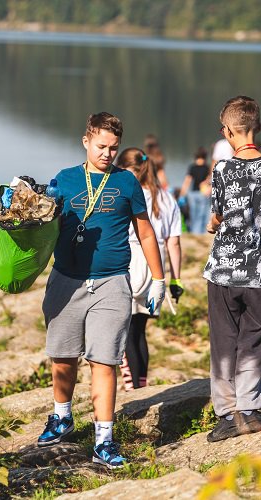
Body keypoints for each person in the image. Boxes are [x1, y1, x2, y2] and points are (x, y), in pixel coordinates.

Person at [37, 112, 166, 469]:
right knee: (63, 355)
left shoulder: (126, 183)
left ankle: (104, 440)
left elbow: (145, 232)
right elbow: (40, 226)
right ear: (85, 141)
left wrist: (159, 278)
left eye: (113, 147)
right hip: (66, 280)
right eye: (101, 146)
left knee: (104, 360)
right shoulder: (64, 180)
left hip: (112, 283)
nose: (107, 153)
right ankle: (62, 418)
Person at [203, 96, 261, 442]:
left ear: (227, 132)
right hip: (260, 270)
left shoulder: (221, 169)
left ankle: (226, 414)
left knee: (224, 339)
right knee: (254, 337)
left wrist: (215, 224)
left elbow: (218, 215)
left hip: (224, 269)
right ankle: (250, 409)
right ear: (258, 128)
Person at [116, 148, 183, 391]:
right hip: (155, 266)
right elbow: (173, 242)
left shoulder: (125, 194)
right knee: (140, 331)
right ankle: (141, 384)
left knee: (124, 331)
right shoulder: (167, 199)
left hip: (129, 261)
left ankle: (131, 387)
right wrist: (175, 279)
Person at [179, 147, 212, 234]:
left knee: (193, 215)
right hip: (203, 194)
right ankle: (202, 232)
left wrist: (182, 194)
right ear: (205, 156)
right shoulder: (206, 167)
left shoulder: (192, 167)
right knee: (202, 214)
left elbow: (187, 181)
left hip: (192, 194)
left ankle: (194, 231)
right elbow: (209, 180)